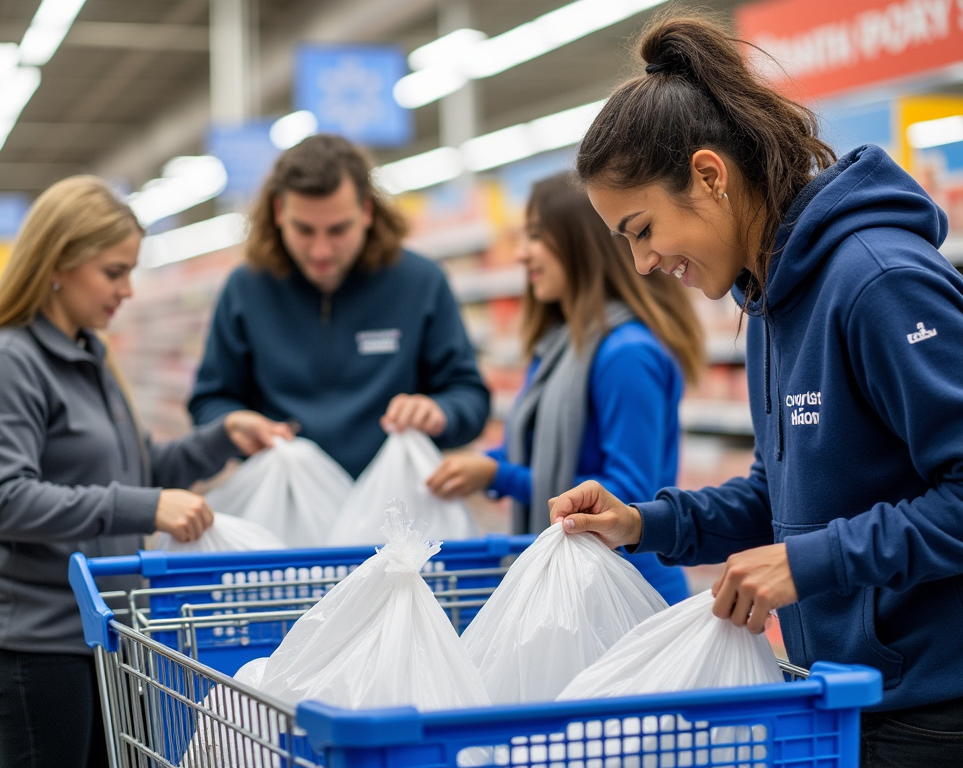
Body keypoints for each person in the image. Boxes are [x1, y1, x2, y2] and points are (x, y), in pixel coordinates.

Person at [548, 13, 963, 767]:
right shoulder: (768, 299)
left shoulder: (878, 281)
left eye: (643, 229)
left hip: (932, 714)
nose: (642, 262)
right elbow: (783, 496)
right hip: (843, 697)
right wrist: (643, 522)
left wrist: (810, 564)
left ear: (709, 175)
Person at [0, 175, 287, 768]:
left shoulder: (88, 353)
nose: (127, 290)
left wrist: (221, 439)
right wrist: (142, 506)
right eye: (114, 271)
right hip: (37, 643)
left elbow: (138, 466)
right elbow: (3, 499)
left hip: (106, 635)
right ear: (58, 264)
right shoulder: (7, 363)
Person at [427, 171, 704, 604]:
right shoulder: (557, 348)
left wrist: (500, 475)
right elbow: (534, 448)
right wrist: (483, 465)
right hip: (577, 590)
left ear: (581, 242)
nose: (521, 255)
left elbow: (627, 495)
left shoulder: (626, 355)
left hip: (631, 597)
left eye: (536, 236)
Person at [188, 133, 490, 479]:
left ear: (366, 211)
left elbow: (470, 397)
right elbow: (209, 401)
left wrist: (441, 412)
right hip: (285, 499)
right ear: (278, 213)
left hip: (392, 506)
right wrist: (234, 425)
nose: (321, 251)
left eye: (338, 230)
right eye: (304, 230)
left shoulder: (422, 283)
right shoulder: (245, 289)